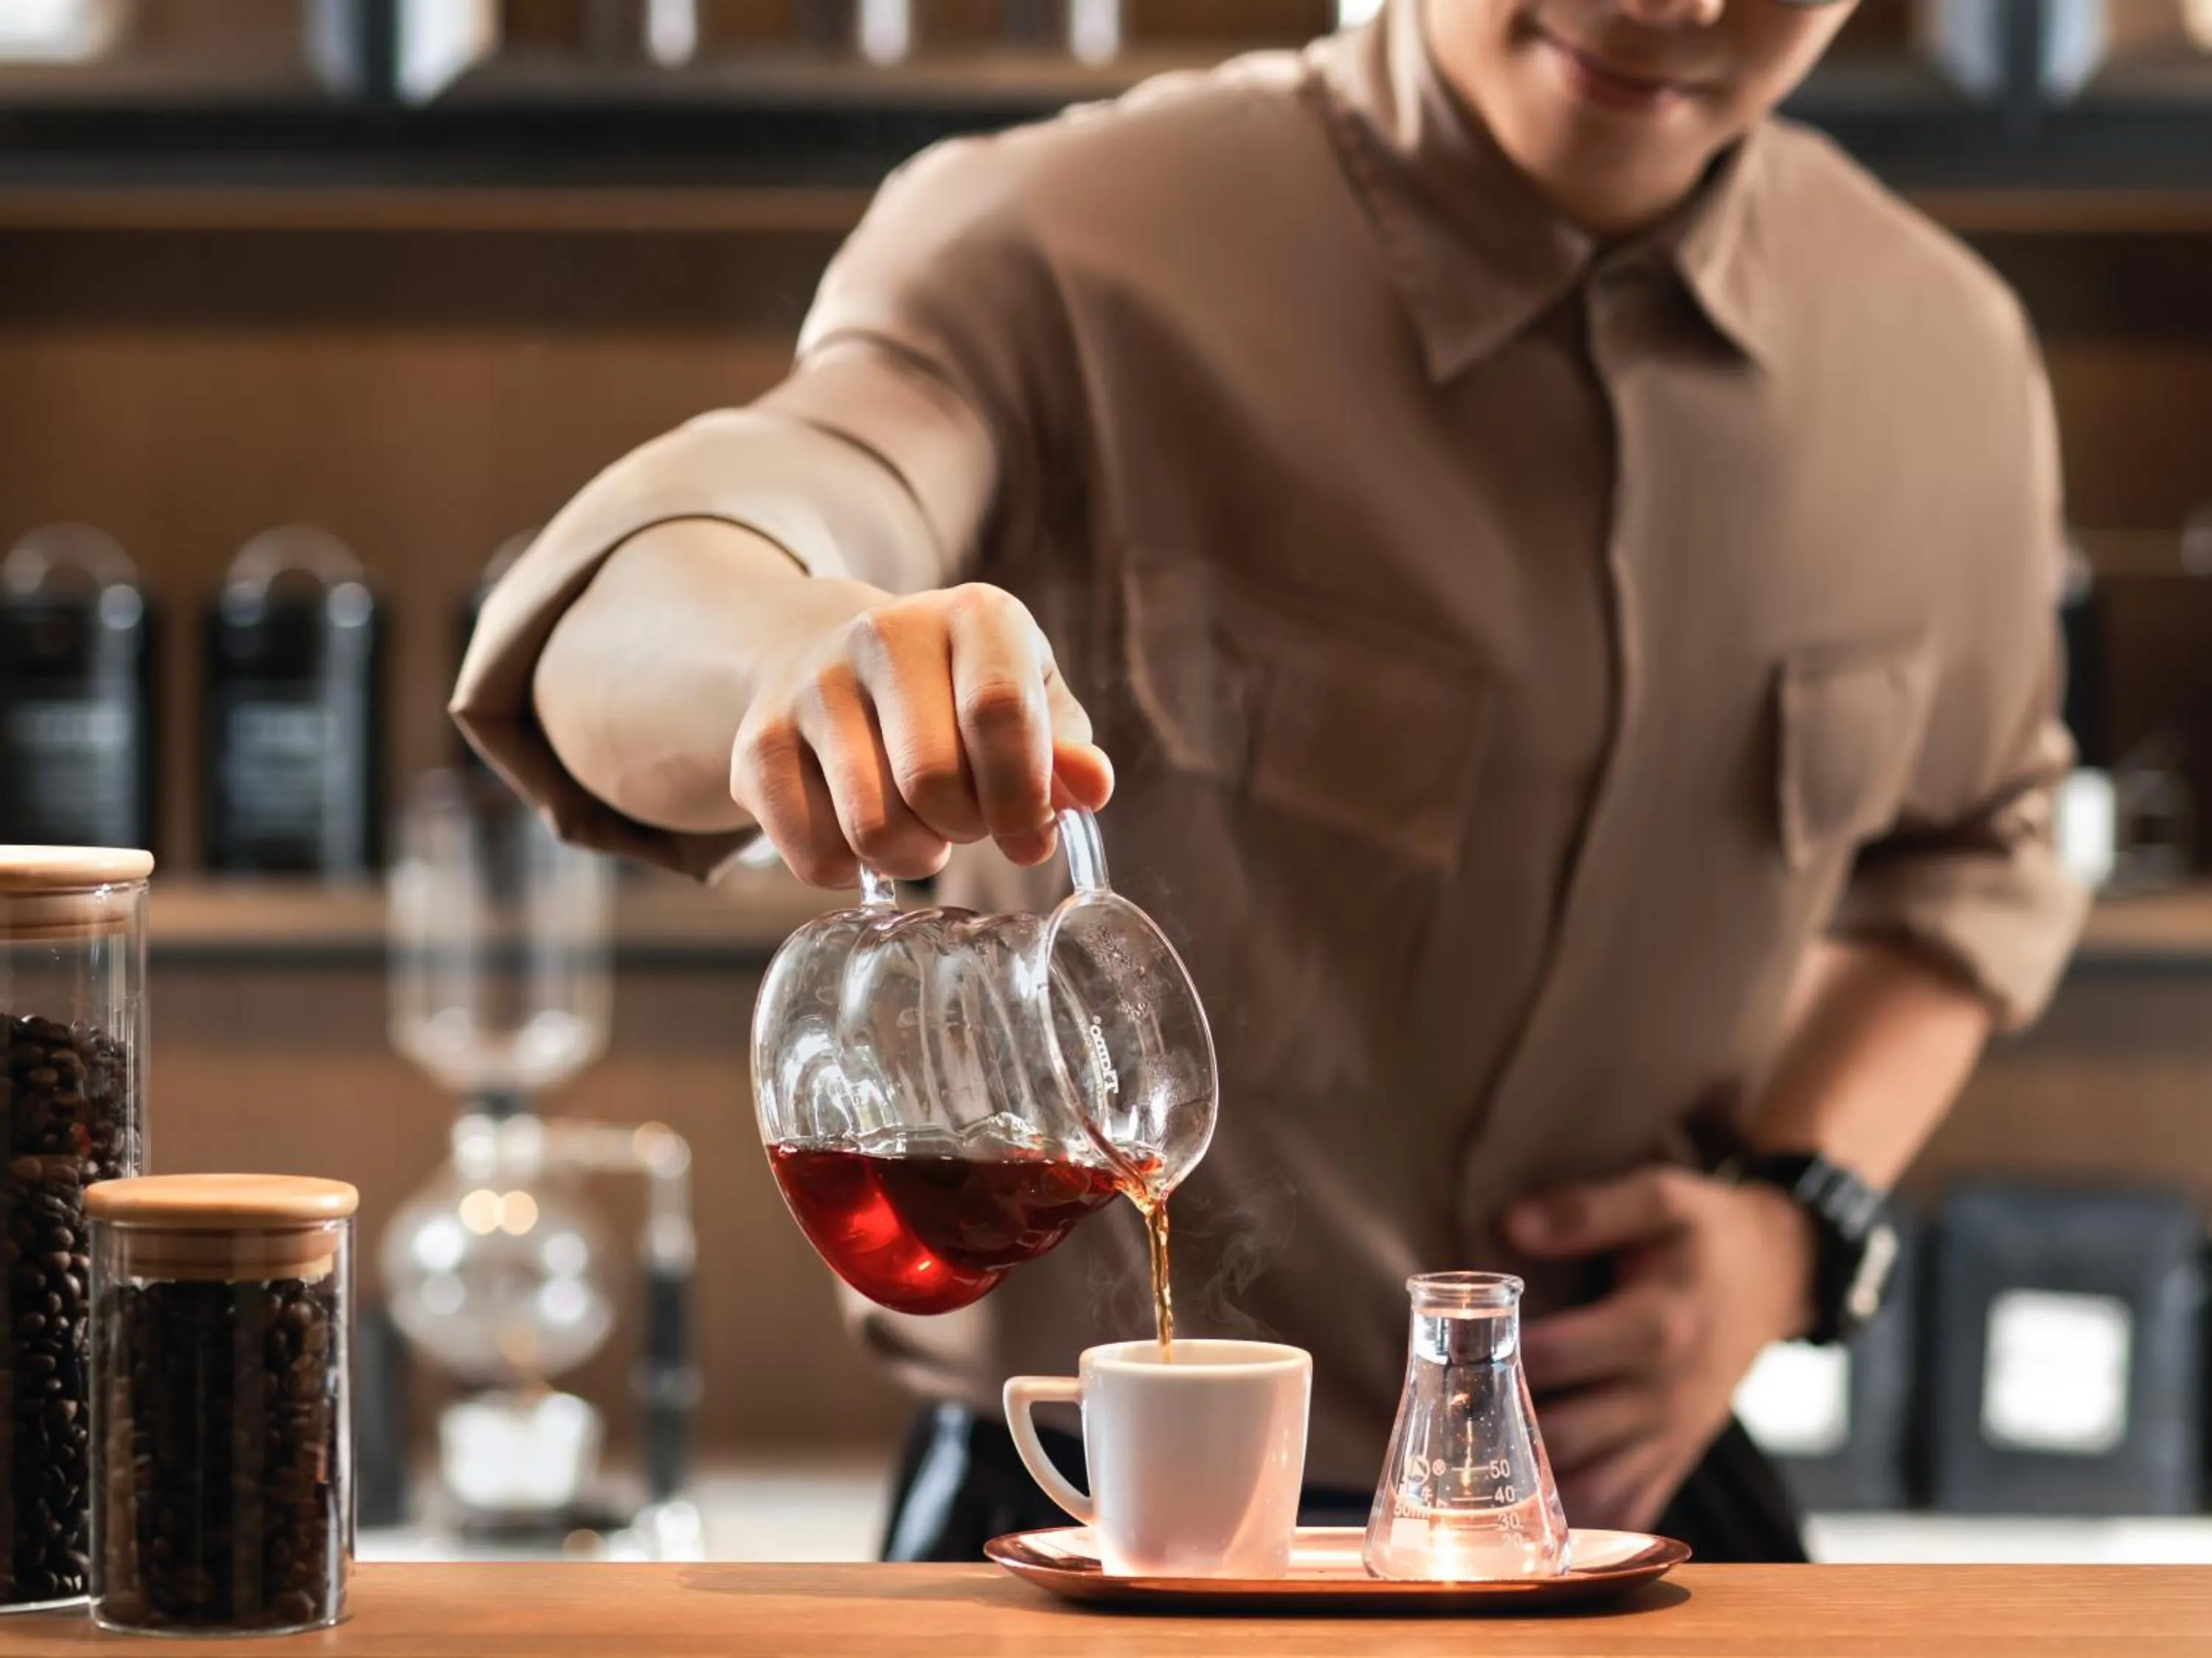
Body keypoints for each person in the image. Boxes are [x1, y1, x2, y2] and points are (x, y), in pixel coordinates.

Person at [454, 0, 2086, 1564]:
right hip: (1090, 1514)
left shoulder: (1946, 361)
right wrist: (790, 647)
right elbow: (650, 592)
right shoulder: (1065, 242)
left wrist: (1790, 1221)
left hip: (1617, 1502)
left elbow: (1972, 863)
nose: (1677, 0)